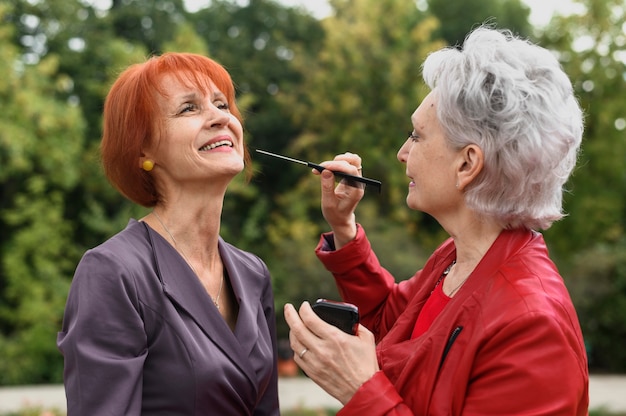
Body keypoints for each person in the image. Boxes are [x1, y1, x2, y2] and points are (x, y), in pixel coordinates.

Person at [284, 26, 588, 415]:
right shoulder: (460, 257)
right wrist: (344, 228)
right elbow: (389, 324)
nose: (402, 152)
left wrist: (362, 392)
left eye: (417, 135)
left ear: (468, 164)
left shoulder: (532, 329)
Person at [57, 52, 279, 415]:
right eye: (189, 108)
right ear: (143, 148)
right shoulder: (113, 272)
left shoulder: (253, 273)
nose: (221, 117)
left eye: (222, 104)